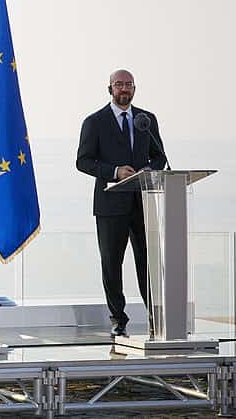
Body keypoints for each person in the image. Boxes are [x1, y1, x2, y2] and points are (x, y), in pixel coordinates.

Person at [76, 69, 167, 337]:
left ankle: (157, 316)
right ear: (110, 89)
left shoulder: (146, 120)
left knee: (148, 263)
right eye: (119, 85)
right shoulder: (95, 122)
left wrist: (149, 171)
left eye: (128, 85)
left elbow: (159, 155)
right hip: (110, 204)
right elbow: (83, 161)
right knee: (112, 264)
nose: (124, 89)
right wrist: (115, 171)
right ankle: (118, 319)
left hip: (143, 201)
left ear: (135, 89)